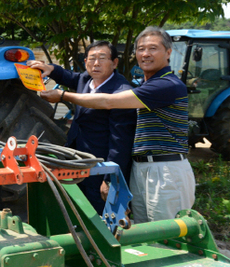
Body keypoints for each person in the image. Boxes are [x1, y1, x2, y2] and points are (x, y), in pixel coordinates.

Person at [40, 27, 194, 223]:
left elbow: (109, 105)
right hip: (141, 167)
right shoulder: (144, 84)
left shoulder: (165, 85)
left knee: (165, 232)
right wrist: (51, 69)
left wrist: (62, 95)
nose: (145, 54)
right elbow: (71, 77)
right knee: (142, 231)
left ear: (168, 52)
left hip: (164, 170)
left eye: (153, 48)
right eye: (141, 49)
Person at [28, 41, 137, 213]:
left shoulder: (121, 93)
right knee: (77, 213)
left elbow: (121, 143)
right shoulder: (86, 79)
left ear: (115, 63)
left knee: (101, 217)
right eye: (91, 58)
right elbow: (69, 76)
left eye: (102, 58)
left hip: (100, 168)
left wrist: (110, 179)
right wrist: (49, 68)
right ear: (85, 61)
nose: (96, 63)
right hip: (77, 162)